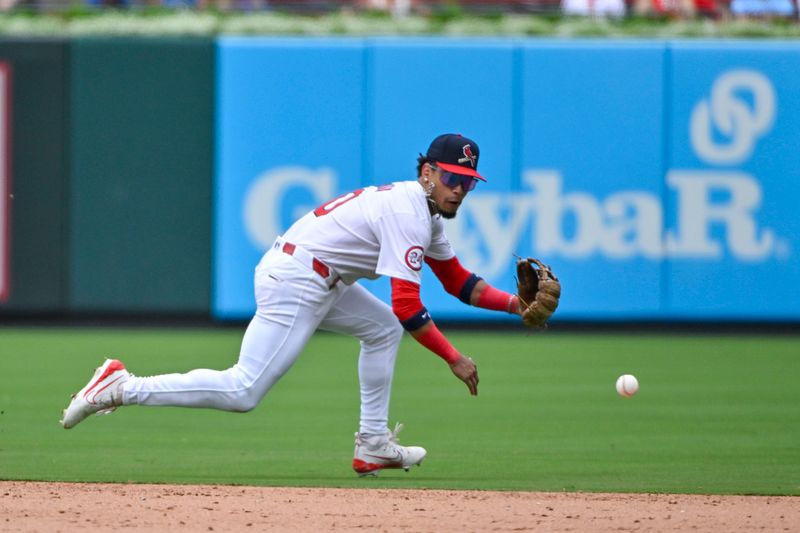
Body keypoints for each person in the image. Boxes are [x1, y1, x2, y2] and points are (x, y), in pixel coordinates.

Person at [61, 133, 526, 476]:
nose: (459, 190)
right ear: (428, 173)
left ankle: (373, 443)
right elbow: (408, 306)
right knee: (243, 390)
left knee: (380, 329)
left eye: (468, 182)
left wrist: (517, 306)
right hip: (298, 279)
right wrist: (454, 358)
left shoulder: (425, 215)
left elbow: (459, 283)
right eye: (452, 178)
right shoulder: (408, 212)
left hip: (318, 275)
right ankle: (121, 386)